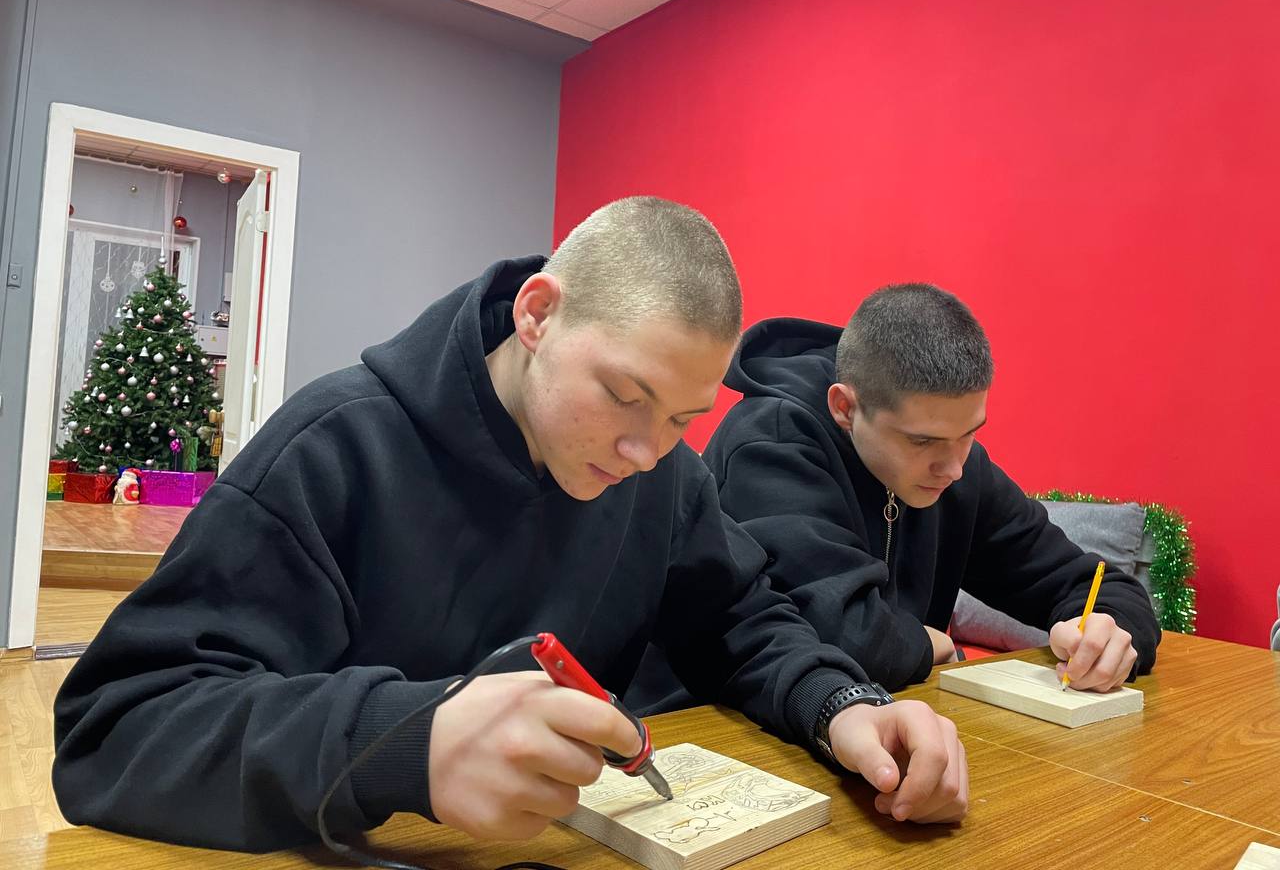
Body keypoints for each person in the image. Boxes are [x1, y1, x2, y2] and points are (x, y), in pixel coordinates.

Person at [53, 200, 969, 854]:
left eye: (683, 419)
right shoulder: (334, 449)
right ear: (537, 314)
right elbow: (115, 730)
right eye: (624, 395)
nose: (646, 451)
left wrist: (843, 705)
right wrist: (406, 744)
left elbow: (743, 620)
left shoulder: (663, 475)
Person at [670, 283, 1160, 698]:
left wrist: (1111, 633)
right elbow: (838, 638)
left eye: (969, 433)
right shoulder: (771, 443)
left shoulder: (957, 467)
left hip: (883, 720)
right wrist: (930, 646)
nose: (954, 469)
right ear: (845, 408)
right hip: (716, 729)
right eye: (922, 441)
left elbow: (1097, 584)